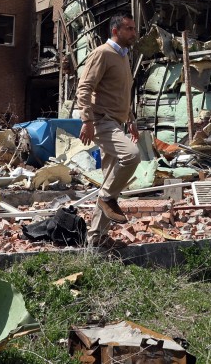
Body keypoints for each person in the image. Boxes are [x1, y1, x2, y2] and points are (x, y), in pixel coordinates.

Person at [76, 13, 140, 250]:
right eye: (129, 29)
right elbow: (84, 87)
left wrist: (131, 119)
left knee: (109, 180)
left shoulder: (123, 57)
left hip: (118, 121)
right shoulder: (102, 53)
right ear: (116, 31)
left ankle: (96, 238)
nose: (134, 33)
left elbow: (122, 93)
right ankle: (105, 198)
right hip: (102, 121)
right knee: (132, 155)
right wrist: (87, 120)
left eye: (134, 28)